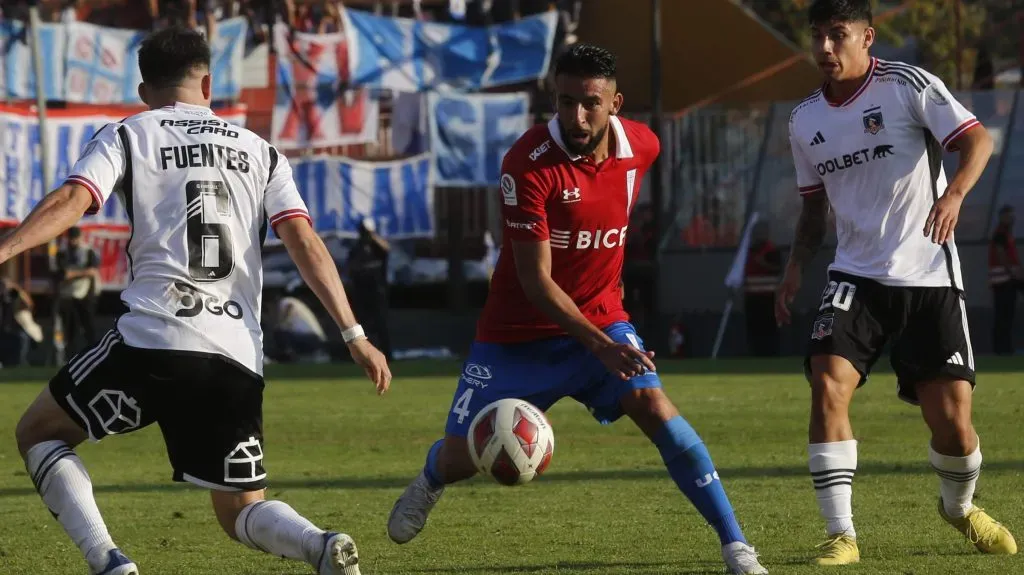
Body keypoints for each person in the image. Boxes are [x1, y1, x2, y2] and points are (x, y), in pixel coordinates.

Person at [8, 27, 390, 575]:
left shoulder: (127, 135)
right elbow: (304, 240)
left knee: (39, 433)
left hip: (153, 341)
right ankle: (319, 545)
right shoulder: (262, 151)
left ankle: (109, 562)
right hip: (234, 355)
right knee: (240, 511)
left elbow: (75, 198)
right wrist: (354, 334)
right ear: (208, 82)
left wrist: (6, 250)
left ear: (145, 90)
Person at [386, 44, 768, 575]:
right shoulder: (526, 164)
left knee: (655, 405)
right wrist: (604, 346)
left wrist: (610, 339)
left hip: (601, 319)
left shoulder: (643, 146)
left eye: (590, 103)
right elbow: (536, 282)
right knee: (463, 457)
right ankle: (428, 479)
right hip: (516, 335)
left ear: (616, 103)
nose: (576, 116)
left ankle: (736, 546)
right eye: (565, 102)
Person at [776, 0, 1017, 566]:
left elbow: (977, 141)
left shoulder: (909, 86)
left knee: (954, 424)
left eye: (838, 35)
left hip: (928, 274)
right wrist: (795, 266)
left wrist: (953, 196)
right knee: (827, 382)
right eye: (818, 38)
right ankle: (842, 536)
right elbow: (812, 211)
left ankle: (959, 509)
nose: (826, 48)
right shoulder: (803, 120)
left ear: (868, 37)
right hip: (853, 276)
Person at [345, 218, 392, 360]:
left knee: (381, 325)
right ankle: (362, 355)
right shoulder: (356, 250)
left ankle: (387, 354)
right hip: (361, 293)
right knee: (362, 326)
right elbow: (351, 269)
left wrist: (373, 237)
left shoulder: (378, 249)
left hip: (377, 292)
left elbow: (387, 250)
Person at [55, 226, 100, 356]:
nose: (73, 241)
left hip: (85, 294)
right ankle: (71, 357)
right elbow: (62, 274)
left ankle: (94, 355)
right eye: (71, 238)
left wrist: (73, 274)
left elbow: (92, 271)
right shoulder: (62, 253)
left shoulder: (88, 251)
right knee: (70, 329)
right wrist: (81, 273)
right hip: (68, 295)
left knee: (89, 327)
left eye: (75, 238)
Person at [743, 221, 781, 357]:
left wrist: (763, 263)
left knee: (768, 327)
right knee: (754, 328)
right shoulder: (749, 250)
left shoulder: (771, 250)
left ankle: (770, 353)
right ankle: (755, 353)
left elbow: (778, 269)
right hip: (752, 297)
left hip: (768, 297)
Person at [988, 205, 1020, 355]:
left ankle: (1004, 349)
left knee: (1005, 316)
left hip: (1005, 281)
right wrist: (1015, 273)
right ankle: (1002, 350)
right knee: (1004, 317)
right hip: (1004, 282)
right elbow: (1002, 256)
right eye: (1009, 215)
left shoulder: (1005, 234)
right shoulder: (1000, 234)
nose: (1011, 219)